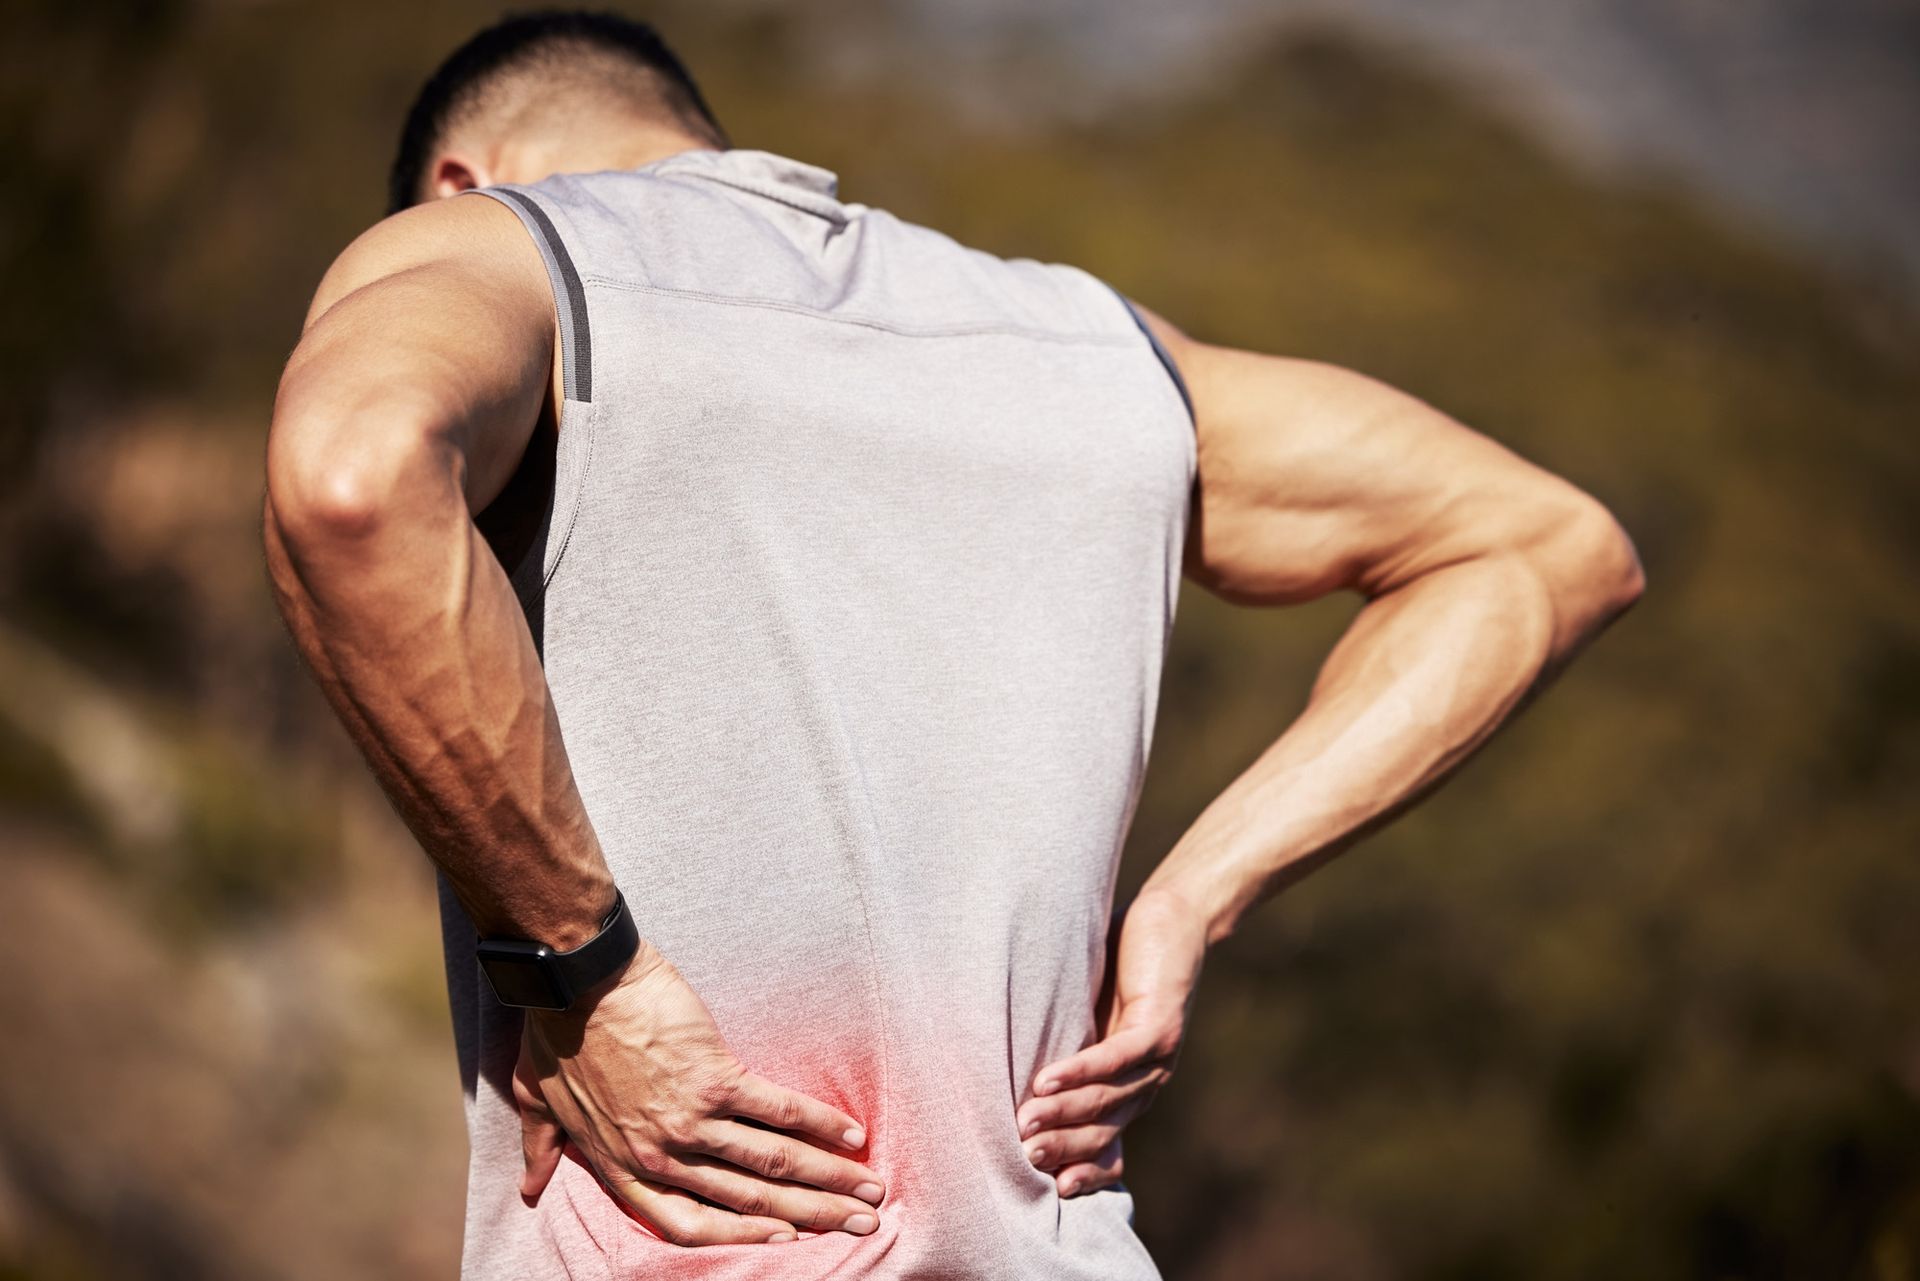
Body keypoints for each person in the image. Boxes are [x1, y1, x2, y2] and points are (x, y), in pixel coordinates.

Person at [260, 9, 1644, 1279]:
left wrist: (584, 974)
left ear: (462, 179)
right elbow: (1547, 547)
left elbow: (351, 482)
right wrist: (1193, 898)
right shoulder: (1097, 351)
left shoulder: (500, 244)